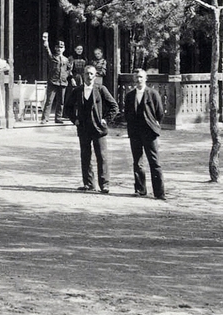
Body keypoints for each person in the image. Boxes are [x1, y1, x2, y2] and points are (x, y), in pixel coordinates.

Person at [65, 64, 120, 192]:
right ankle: (89, 183)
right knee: (85, 156)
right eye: (86, 73)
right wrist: (75, 119)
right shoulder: (77, 91)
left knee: (102, 156)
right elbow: (68, 107)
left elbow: (114, 106)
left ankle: (104, 184)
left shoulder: (101, 89)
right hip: (83, 128)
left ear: (95, 76)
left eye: (91, 74)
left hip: (98, 129)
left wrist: (106, 119)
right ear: (83, 75)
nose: (89, 76)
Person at [122, 67, 167, 200]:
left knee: (154, 162)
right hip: (135, 132)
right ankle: (140, 189)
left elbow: (160, 113)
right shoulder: (130, 96)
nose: (138, 79)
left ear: (146, 78)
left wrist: (154, 125)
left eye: (141, 77)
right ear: (133, 79)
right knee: (137, 161)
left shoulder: (153, 94)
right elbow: (127, 114)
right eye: (136, 77)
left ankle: (159, 193)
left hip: (149, 132)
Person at [41, 33, 71, 124]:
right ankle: (45, 118)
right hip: (53, 82)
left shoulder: (66, 60)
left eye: (61, 47)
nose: (59, 49)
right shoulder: (52, 57)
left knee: (61, 101)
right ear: (55, 48)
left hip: (62, 82)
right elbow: (47, 50)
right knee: (49, 101)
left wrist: (66, 76)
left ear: (64, 49)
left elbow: (69, 69)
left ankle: (58, 117)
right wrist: (46, 42)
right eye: (58, 47)